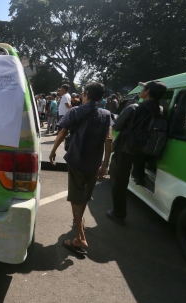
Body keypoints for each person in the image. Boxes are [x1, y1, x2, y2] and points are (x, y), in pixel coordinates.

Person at [49, 82, 113, 256]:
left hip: (77, 160)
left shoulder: (75, 111)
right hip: (94, 163)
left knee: (76, 198)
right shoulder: (106, 114)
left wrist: (53, 151)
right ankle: (79, 222)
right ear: (101, 98)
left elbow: (62, 133)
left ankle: (80, 238)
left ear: (85, 94)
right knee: (84, 195)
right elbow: (109, 140)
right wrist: (105, 164)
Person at [106, 80, 168, 226]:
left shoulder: (134, 108)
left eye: (144, 88)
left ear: (147, 92)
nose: (141, 91)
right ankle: (139, 176)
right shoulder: (161, 110)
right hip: (146, 152)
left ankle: (118, 214)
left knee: (119, 182)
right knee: (138, 162)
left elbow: (117, 127)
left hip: (126, 150)